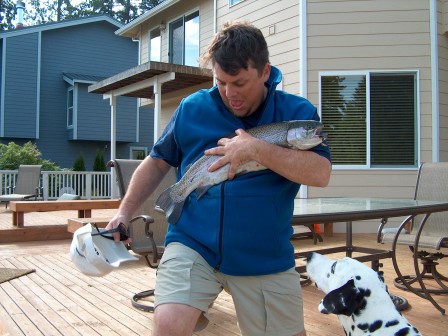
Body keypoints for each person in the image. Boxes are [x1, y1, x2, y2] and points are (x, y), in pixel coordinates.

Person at [106, 21, 331, 336]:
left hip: (263, 254)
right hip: (193, 243)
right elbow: (157, 162)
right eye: (221, 82)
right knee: (168, 325)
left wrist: (257, 149)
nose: (229, 94)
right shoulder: (193, 109)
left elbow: (320, 174)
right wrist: (123, 213)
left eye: (239, 83)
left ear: (265, 72)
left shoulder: (297, 113)